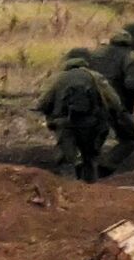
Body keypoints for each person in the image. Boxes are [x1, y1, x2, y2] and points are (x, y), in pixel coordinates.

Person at [33, 48, 125, 183]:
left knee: (66, 156)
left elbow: (42, 104)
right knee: (91, 158)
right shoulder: (95, 77)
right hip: (92, 125)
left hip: (65, 126)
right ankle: (89, 188)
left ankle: (70, 175)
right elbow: (115, 103)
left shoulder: (57, 79)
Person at [88, 22, 134, 176]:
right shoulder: (132, 57)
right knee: (130, 139)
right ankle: (104, 168)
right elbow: (132, 86)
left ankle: (84, 169)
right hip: (115, 105)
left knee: (97, 135)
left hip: (89, 102)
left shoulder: (98, 51)